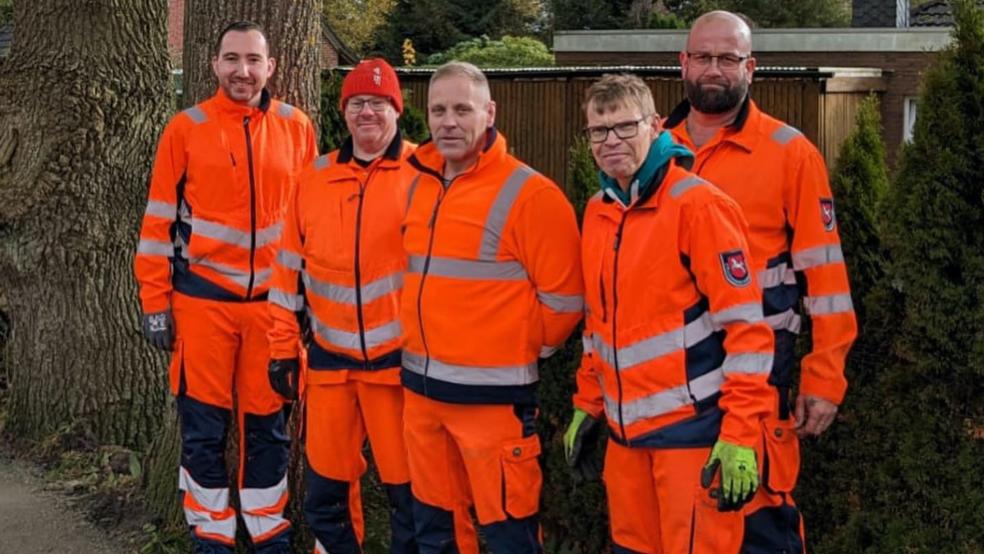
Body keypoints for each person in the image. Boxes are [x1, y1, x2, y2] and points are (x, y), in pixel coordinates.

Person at [664, 11, 858, 551]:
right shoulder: (653, 150)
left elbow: (827, 279)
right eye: (703, 57)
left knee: (756, 529)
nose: (713, 69)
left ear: (752, 68)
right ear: (683, 63)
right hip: (666, 390)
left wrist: (824, 379)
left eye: (728, 59)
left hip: (750, 387)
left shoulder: (789, 153)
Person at [266, 58, 477, 554]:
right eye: (358, 103)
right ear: (344, 112)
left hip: (397, 371)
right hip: (329, 371)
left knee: (410, 499)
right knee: (324, 500)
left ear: (397, 111)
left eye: (379, 104)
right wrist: (280, 348)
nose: (367, 113)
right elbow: (285, 275)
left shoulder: (425, 175)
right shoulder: (312, 179)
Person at [563, 73, 775, 553]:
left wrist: (741, 433)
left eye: (624, 126)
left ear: (656, 126)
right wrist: (586, 403)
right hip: (625, 442)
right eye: (598, 131)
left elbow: (747, 331)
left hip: (692, 438)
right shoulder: (598, 211)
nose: (610, 140)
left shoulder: (699, 206)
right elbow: (598, 326)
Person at [134, 21, 317, 554]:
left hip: (274, 311)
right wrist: (153, 303)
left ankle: (268, 531)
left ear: (270, 67)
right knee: (203, 430)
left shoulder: (297, 127)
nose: (243, 71)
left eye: (253, 60)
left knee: (269, 430)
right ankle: (211, 535)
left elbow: (312, 223)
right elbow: (158, 223)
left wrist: (310, 301)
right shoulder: (185, 128)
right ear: (213, 65)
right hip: (201, 305)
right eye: (232, 59)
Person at [400, 61, 583, 553]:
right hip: (422, 401)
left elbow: (565, 302)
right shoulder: (417, 183)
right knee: (436, 532)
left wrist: (517, 348)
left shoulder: (531, 194)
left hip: (495, 406)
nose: (449, 122)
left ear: (490, 112)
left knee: (508, 535)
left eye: (463, 109)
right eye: (438, 110)